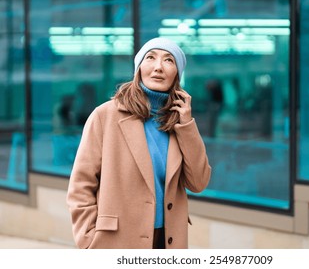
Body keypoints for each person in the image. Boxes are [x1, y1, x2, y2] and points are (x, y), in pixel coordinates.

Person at [66, 37, 211, 249]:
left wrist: (187, 125)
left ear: (177, 75)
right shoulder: (105, 116)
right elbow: (81, 184)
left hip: (168, 240)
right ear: (139, 68)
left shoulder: (178, 122)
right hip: (116, 241)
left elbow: (198, 183)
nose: (158, 67)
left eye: (169, 60)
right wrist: (88, 238)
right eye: (150, 58)